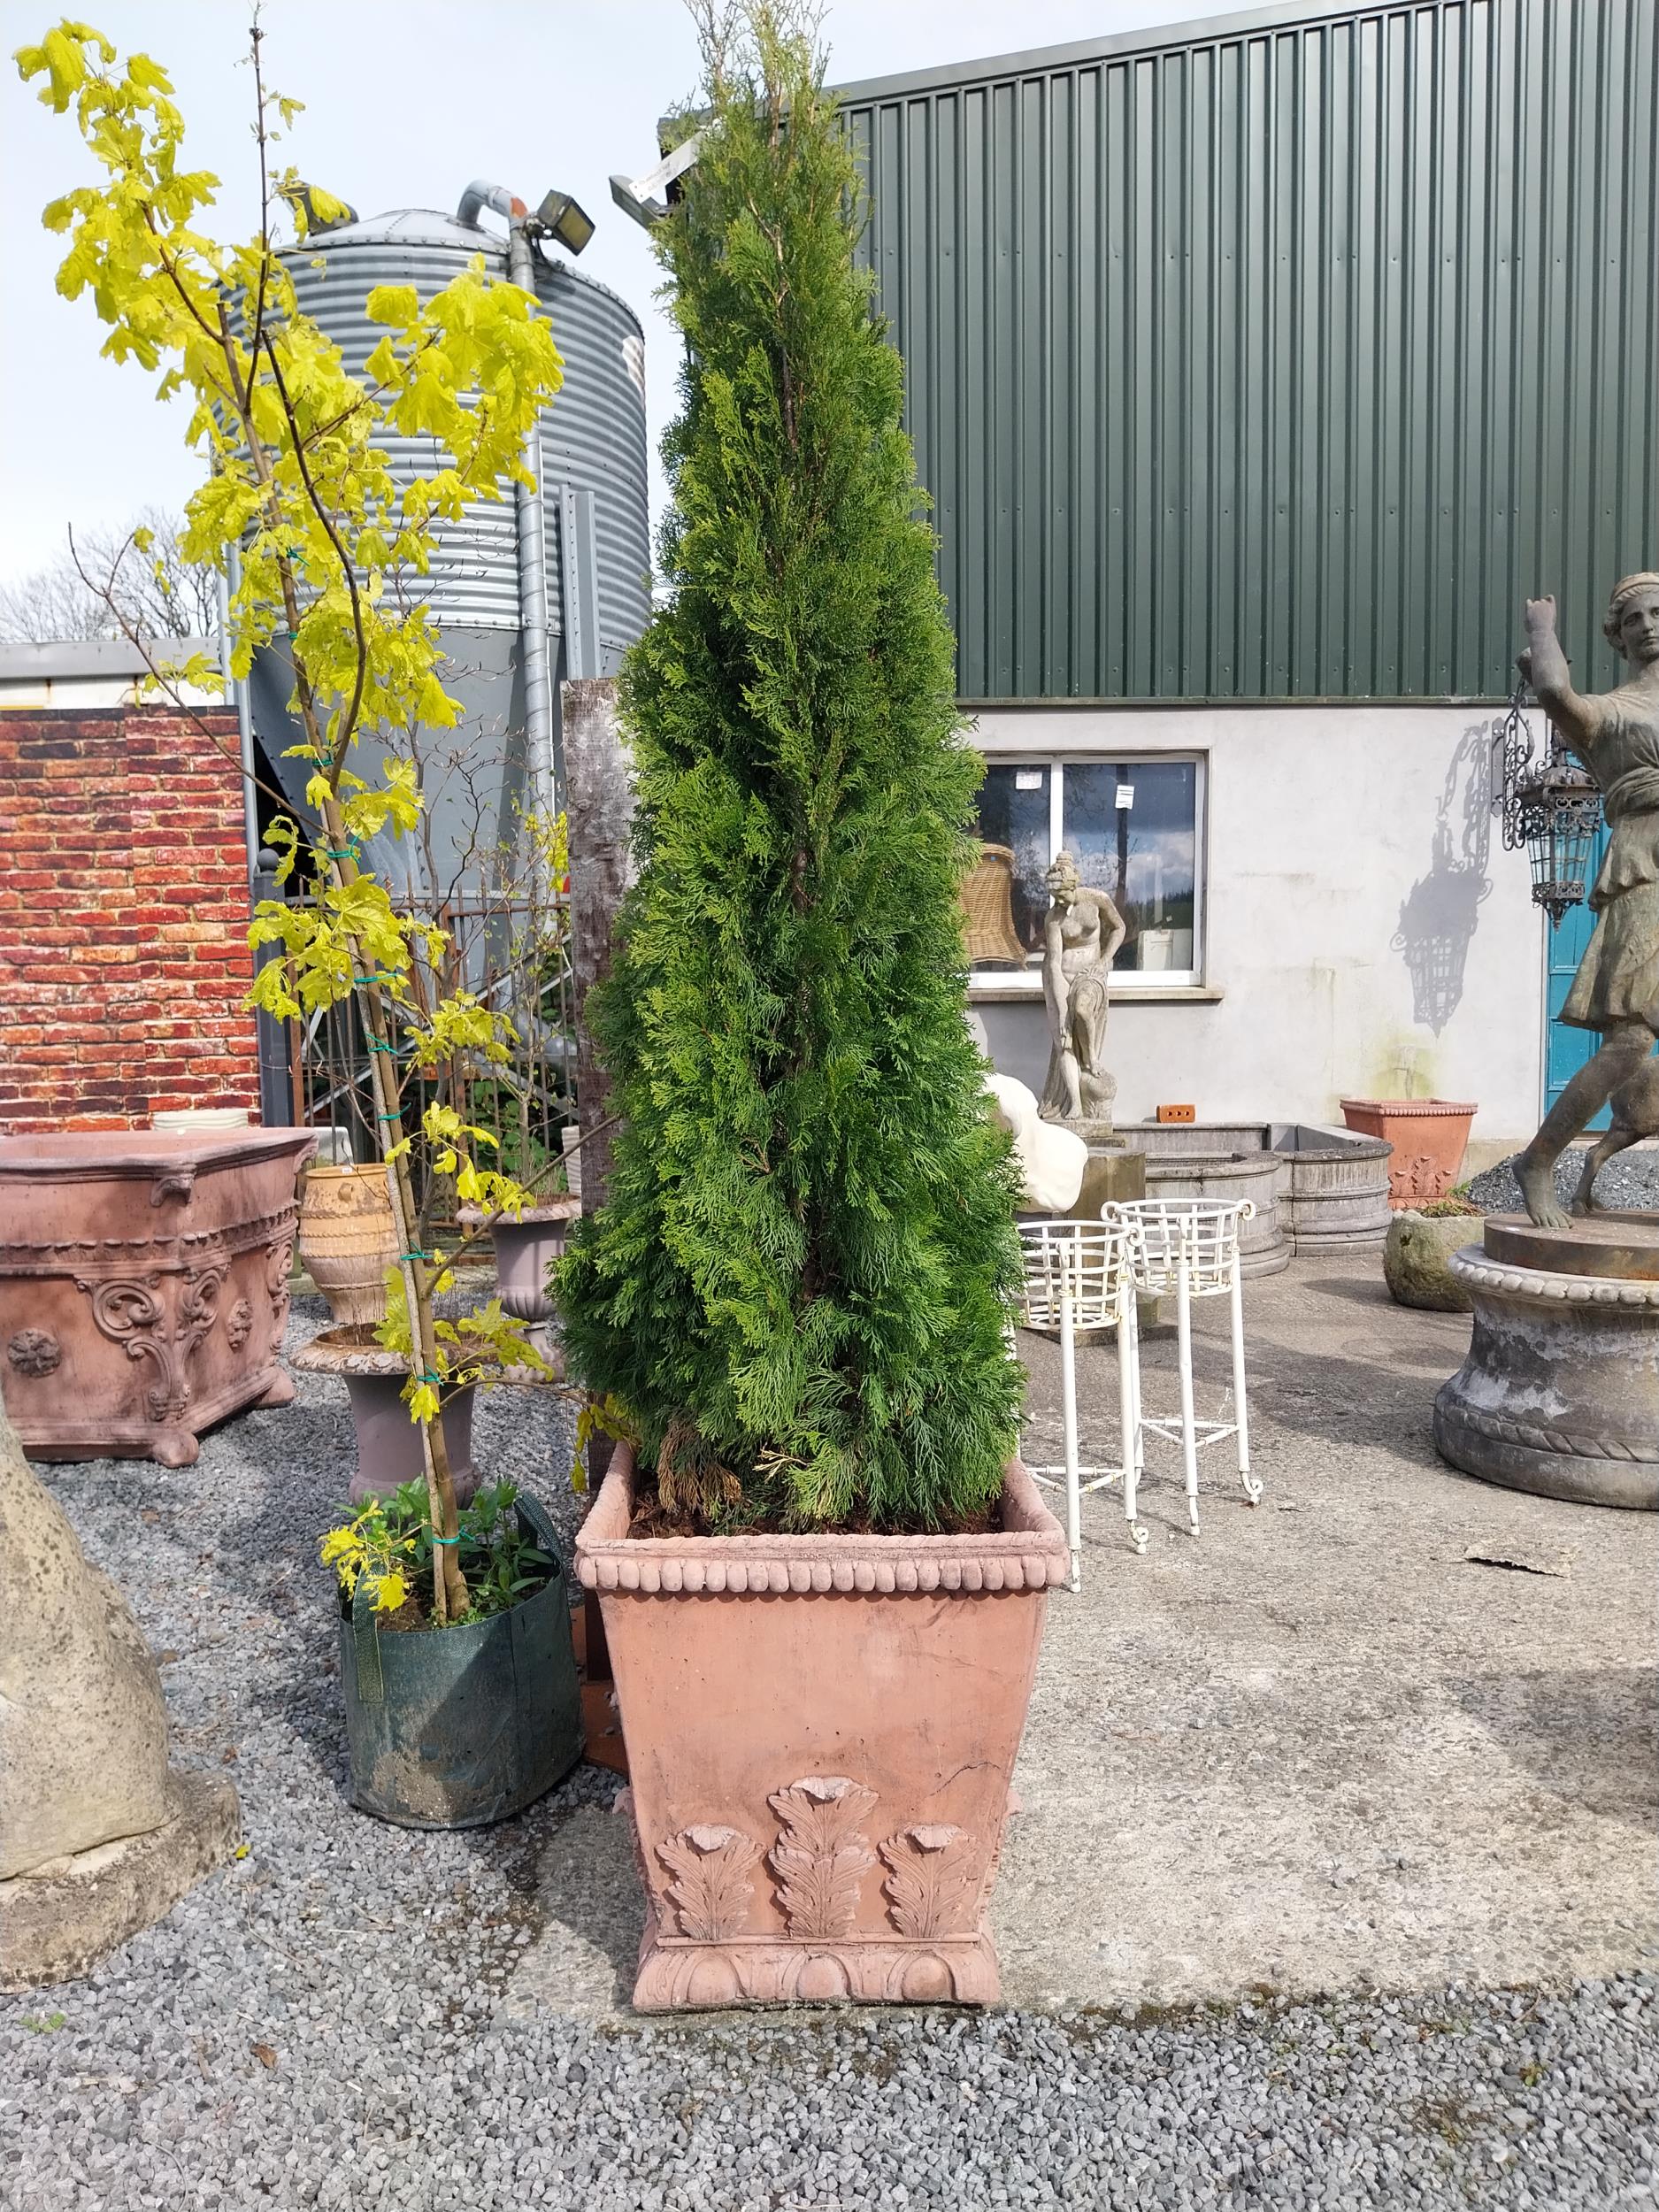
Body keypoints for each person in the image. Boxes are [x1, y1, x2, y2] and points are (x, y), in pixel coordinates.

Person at [1515, 575, 1659, 1228]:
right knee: (1629, 1041)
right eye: (1635, 618)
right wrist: (1542, 633)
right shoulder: (1612, 712)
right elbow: (1551, 692)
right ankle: (1539, 1161)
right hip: (1644, 869)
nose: (1649, 625)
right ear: (1617, 633)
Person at [1038, 851, 1125, 1124]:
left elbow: (1119, 928)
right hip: (1061, 976)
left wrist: (1104, 960)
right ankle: (1075, 1104)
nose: (1059, 901)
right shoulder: (1053, 918)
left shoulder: (1097, 900)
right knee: (1063, 1040)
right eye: (1054, 897)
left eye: (1063, 895)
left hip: (1091, 973)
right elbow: (1053, 963)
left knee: (1083, 1011)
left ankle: (1091, 1060)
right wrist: (1061, 1004)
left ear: (1074, 885)